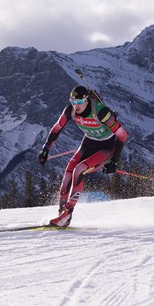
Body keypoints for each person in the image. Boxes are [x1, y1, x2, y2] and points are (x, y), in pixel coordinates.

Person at [37, 85, 128, 227]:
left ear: (86, 100)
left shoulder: (101, 112)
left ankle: (67, 214)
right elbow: (57, 128)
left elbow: (122, 136)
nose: (76, 106)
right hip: (88, 144)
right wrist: (46, 148)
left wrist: (114, 160)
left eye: (79, 102)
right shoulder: (70, 111)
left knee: (78, 171)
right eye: (73, 102)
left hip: (106, 147)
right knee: (68, 173)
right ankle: (62, 213)